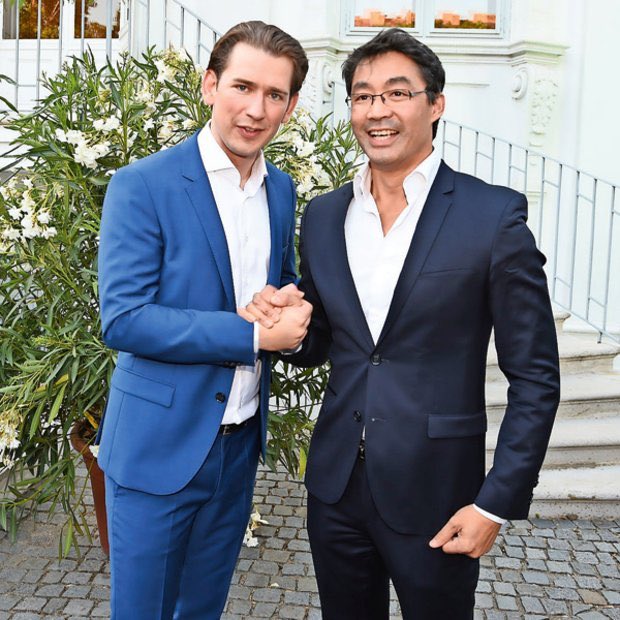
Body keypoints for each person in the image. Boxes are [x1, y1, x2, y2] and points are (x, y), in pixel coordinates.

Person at [242, 28, 560, 619]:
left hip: (439, 494)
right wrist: (287, 325)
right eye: (363, 96)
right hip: (335, 489)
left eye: (396, 93)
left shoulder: (492, 216)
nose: (377, 110)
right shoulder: (325, 214)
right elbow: (326, 341)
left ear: (435, 105)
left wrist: (494, 503)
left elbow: (536, 379)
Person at [97, 21, 311, 619]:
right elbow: (124, 318)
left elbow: (283, 278)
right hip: (156, 448)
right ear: (210, 85)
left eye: (274, 94)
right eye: (243, 87)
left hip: (238, 449)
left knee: (203, 611)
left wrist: (289, 303)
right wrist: (252, 335)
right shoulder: (142, 184)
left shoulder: (280, 190)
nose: (256, 109)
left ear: (291, 107)